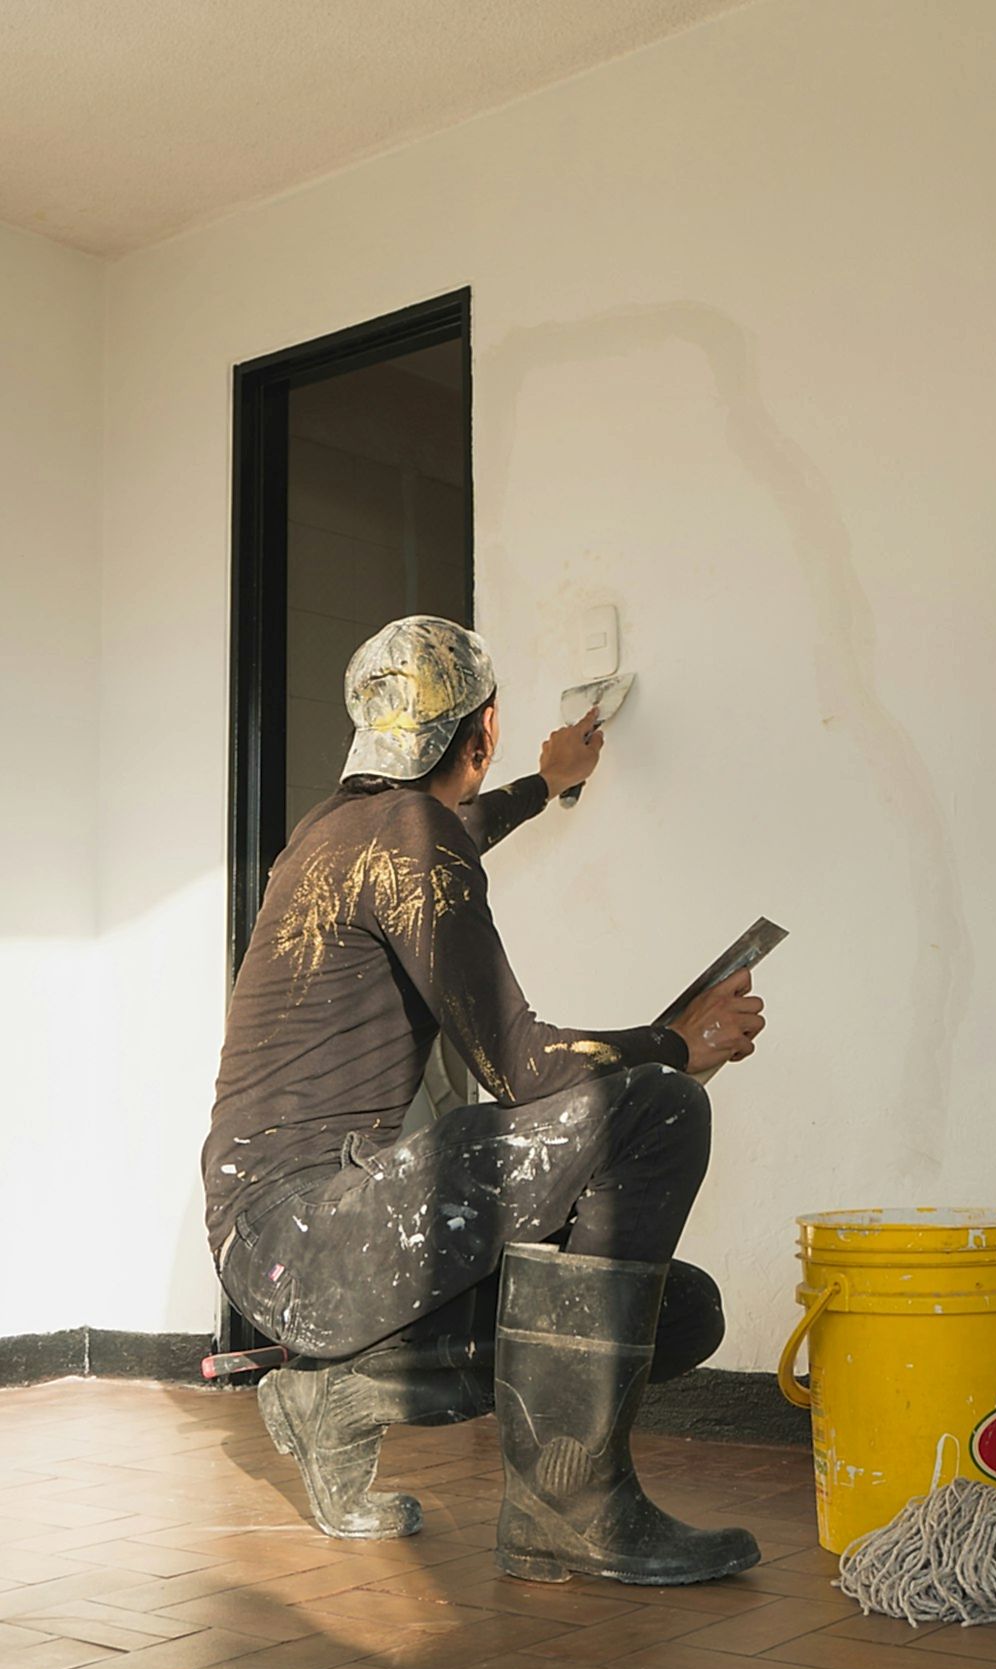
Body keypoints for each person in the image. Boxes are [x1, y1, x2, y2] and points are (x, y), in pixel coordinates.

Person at [202, 615, 766, 1586]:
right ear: (485, 730)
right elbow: (519, 1064)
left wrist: (545, 787)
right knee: (657, 1105)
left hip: (280, 1239)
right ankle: (571, 1506)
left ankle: (334, 1402)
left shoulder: (337, 829)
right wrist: (680, 1040)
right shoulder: (406, 835)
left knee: (678, 1316)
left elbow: (455, 831)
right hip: (313, 1227)